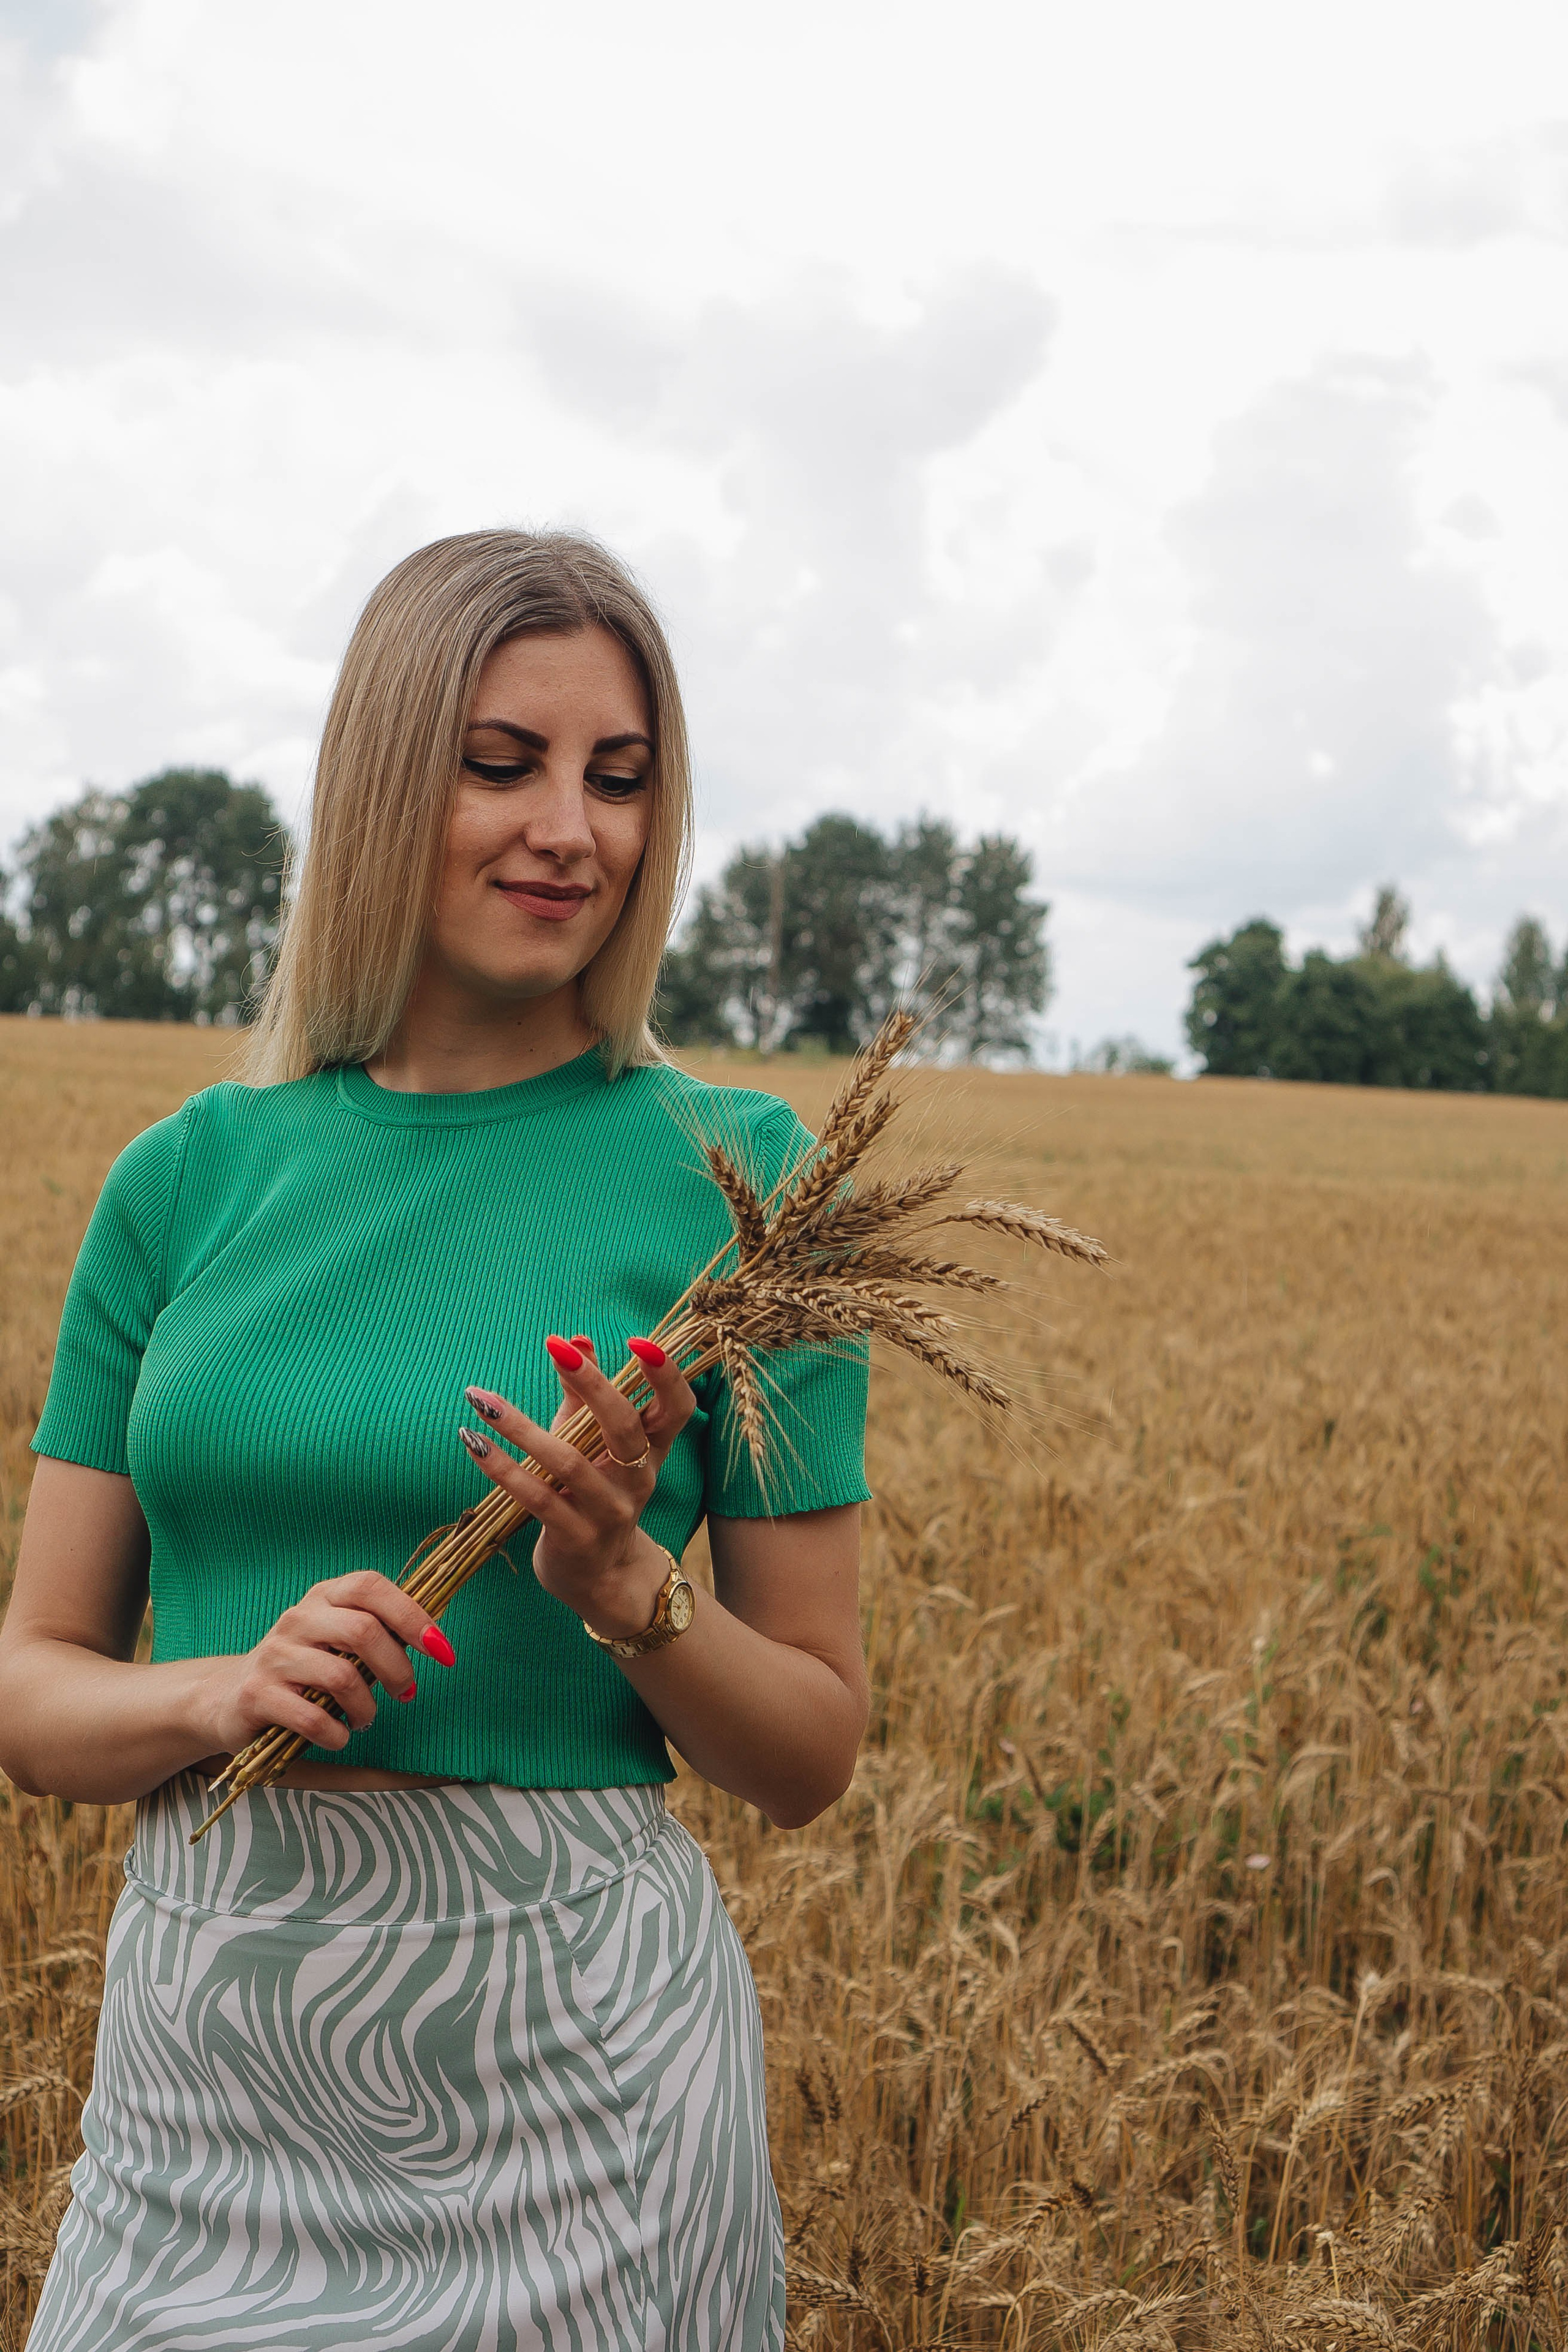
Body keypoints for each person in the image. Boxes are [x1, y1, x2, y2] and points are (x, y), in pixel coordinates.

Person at [0, 530, 871, 2352]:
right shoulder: (186, 1183)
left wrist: (626, 1584)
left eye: (619, 780)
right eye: (503, 763)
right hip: (208, 2073)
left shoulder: (745, 1188)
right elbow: (34, 1687)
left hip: (581, 2079)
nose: (573, 826)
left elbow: (808, 1751)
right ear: (385, 775)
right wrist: (217, 1692)